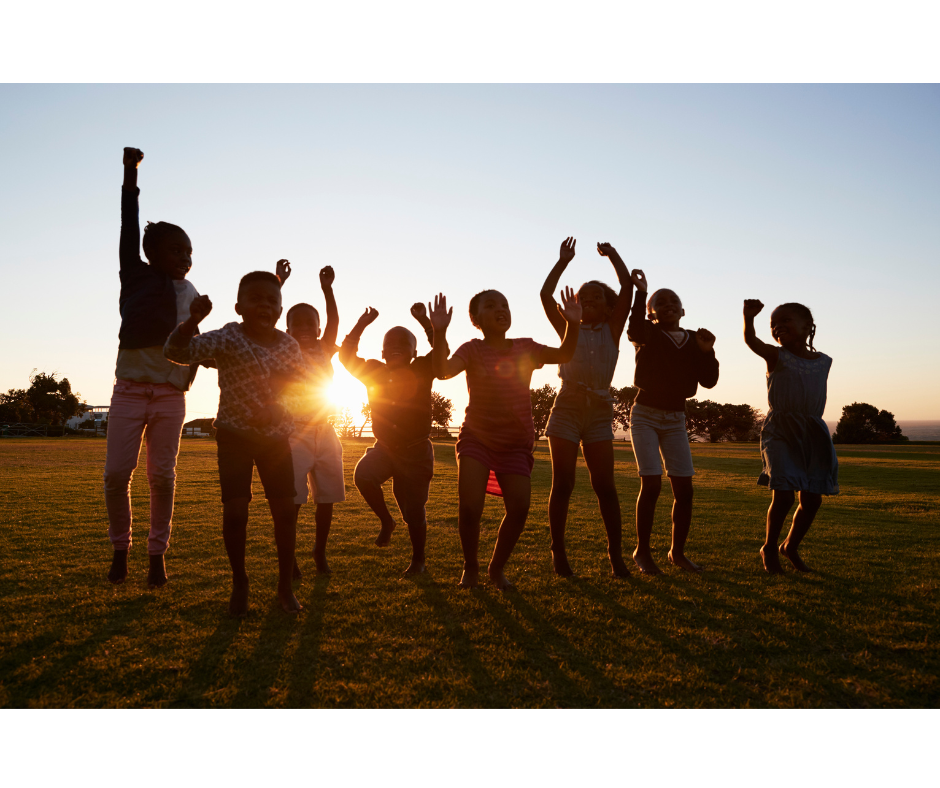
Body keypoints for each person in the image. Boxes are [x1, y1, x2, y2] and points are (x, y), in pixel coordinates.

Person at [164, 271, 307, 615]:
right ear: (238, 306)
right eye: (255, 298)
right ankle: (240, 582)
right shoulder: (228, 337)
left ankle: (285, 588)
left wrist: (278, 408)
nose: (265, 304)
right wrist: (191, 322)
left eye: (272, 300)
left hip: (276, 440)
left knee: (285, 512)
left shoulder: (289, 346)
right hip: (234, 437)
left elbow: (304, 387)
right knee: (236, 512)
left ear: (280, 307)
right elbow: (176, 352)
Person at [429, 288, 581, 590]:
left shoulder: (526, 347)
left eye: (504, 304)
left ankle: (496, 569)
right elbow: (442, 371)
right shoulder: (471, 349)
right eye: (490, 305)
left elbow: (564, 354)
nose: (501, 309)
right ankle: (470, 567)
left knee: (520, 508)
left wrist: (573, 324)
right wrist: (439, 332)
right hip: (477, 438)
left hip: (515, 442)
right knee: (470, 507)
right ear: (475, 319)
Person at [104, 147, 207, 589]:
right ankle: (120, 549)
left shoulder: (192, 291)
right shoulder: (136, 273)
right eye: (176, 249)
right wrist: (130, 174)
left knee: (162, 477)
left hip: (169, 394)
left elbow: (193, 348)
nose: (185, 257)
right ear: (151, 252)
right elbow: (129, 223)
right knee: (115, 475)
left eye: (189, 251)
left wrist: (195, 323)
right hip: (128, 390)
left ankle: (156, 555)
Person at [539, 237, 633, 578]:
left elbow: (626, 288)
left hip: (599, 411)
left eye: (596, 297)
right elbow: (545, 296)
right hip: (567, 407)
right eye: (583, 296)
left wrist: (614, 255)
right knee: (562, 483)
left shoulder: (613, 328)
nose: (588, 300)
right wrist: (563, 261)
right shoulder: (568, 328)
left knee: (604, 485)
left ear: (609, 308)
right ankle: (559, 554)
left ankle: (616, 556)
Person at [626, 270, 719, 575]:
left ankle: (677, 553)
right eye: (659, 302)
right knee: (651, 484)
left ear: (683, 310)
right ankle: (642, 551)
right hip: (645, 415)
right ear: (651, 313)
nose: (667, 304)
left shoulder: (694, 340)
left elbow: (709, 381)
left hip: (676, 418)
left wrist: (708, 352)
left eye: (673, 301)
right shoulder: (648, 333)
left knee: (684, 490)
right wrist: (641, 292)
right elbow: (635, 328)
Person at [339, 305, 441, 575]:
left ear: (414, 353)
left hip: (417, 451)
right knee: (363, 476)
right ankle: (386, 522)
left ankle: (418, 559)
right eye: (390, 344)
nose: (396, 346)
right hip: (385, 449)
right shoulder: (374, 370)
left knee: (413, 512)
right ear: (382, 353)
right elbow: (346, 357)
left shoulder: (422, 368)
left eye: (404, 344)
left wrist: (425, 323)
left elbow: (442, 353)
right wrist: (362, 322)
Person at [743, 299, 838, 573]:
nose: (778, 327)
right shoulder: (776, 356)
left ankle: (790, 546)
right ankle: (769, 547)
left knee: (812, 499)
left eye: (786, 321)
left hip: (812, 433)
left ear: (808, 327)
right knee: (783, 494)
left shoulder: (824, 362)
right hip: (781, 431)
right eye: (773, 324)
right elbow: (752, 342)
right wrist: (749, 319)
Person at [278, 261, 344, 576]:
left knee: (327, 496)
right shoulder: (283, 349)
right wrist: (278, 282)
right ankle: (289, 557)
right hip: (294, 433)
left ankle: (319, 551)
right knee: (292, 498)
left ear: (318, 329)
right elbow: (268, 319)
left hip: (325, 431)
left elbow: (334, 320)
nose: (304, 327)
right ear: (287, 329)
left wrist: (327, 289)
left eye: (310, 322)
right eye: (297, 323)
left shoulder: (324, 347)